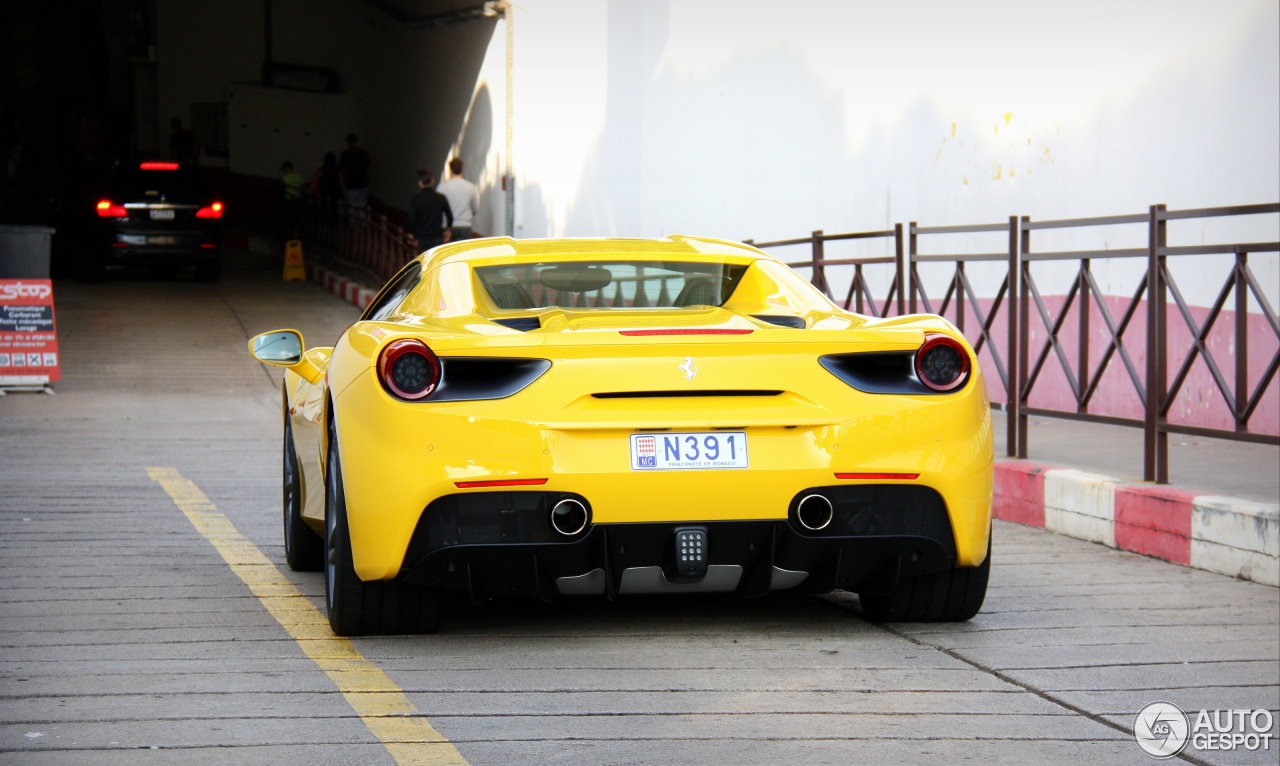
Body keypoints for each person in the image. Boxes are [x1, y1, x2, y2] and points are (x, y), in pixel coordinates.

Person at [405, 169, 453, 253]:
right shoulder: (441, 198)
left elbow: (410, 219)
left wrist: (410, 233)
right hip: (437, 237)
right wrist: (448, 229)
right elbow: (450, 216)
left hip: (421, 238)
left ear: (420, 183)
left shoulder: (416, 199)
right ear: (432, 182)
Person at [436, 157, 480, 240]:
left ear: (450, 170)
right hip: (465, 225)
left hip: (447, 226)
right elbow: (475, 209)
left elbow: (437, 208)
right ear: (462, 170)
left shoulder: (442, 187)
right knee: (463, 252)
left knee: (449, 252)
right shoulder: (471, 187)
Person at [338, 133, 371, 209]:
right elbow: (368, 170)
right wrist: (368, 182)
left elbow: (341, 172)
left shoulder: (345, 155)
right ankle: (361, 221)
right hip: (362, 185)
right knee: (362, 209)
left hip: (351, 186)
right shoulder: (364, 153)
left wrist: (342, 185)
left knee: (352, 210)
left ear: (348, 143)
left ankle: (354, 221)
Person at [280, 160, 305, 238]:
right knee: (296, 221)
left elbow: (282, 190)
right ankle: (296, 237)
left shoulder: (284, 178)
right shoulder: (299, 176)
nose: (283, 172)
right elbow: (303, 188)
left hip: (288, 201)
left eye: (284, 170)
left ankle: (288, 237)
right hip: (297, 201)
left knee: (288, 220)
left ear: (287, 169)